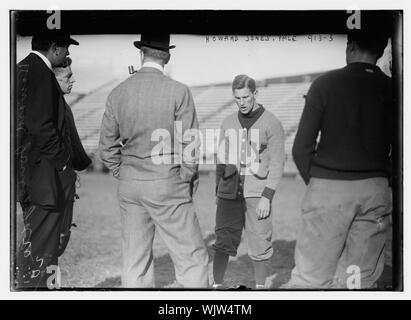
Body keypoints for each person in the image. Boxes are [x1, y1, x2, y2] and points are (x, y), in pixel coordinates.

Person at [99, 34, 209, 288]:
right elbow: (190, 145)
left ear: (141, 53)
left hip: (130, 184)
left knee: (135, 260)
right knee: (190, 257)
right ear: (167, 56)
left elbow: (107, 146)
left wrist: (121, 171)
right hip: (167, 182)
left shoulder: (118, 92)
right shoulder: (178, 90)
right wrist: (184, 177)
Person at [285, 30, 392, 289]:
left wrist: (320, 183)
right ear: (380, 51)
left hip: (328, 188)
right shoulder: (394, 88)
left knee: (310, 279)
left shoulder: (325, 83)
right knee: (357, 280)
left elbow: (301, 148)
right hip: (376, 189)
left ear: (351, 46)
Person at [15, 30, 88, 289]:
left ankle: (40, 287)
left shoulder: (20, 69)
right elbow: (42, 127)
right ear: (55, 48)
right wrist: (64, 163)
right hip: (44, 180)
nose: (68, 53)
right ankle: (33, 290)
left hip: (28, 176)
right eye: (66, 48)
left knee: (38, 242)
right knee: (43, 246)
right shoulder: (42, 74)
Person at [213, 74, 285, 289]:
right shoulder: (227, 122)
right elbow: (221, 160)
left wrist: (267, 197)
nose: (242, 102)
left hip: (257, 193)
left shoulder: (271, 122)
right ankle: (216, 286)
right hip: (228, 192)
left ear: (255, 93)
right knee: (223, 241)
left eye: (246, 97)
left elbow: (278, 163)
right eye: (237, 98)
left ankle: (260, 288)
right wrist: (218, 191)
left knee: (260, 241)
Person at [53, 57, 92, 259]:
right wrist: (82, 163)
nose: (73, 80)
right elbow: (75, 147)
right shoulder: (61, 106)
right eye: (68, 76)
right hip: (59, 182)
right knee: (57, 238)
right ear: (55, 79)